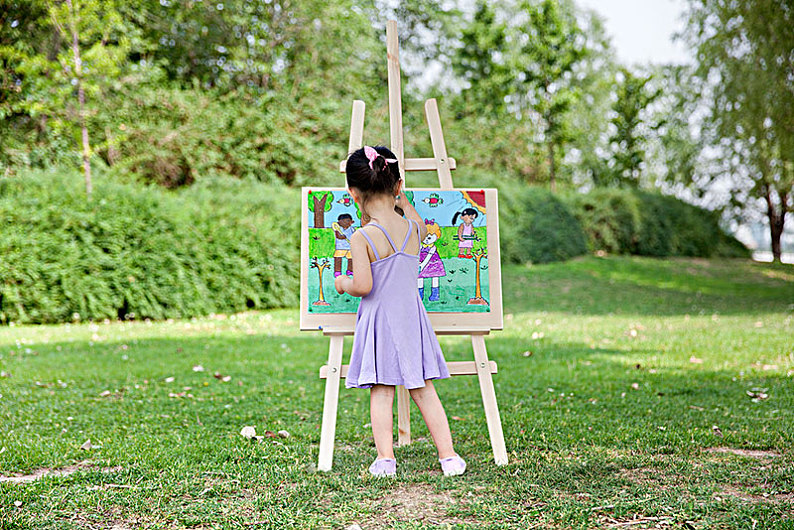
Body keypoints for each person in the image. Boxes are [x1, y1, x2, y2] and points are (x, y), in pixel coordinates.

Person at [334, 145, 466, 478]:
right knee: (424, 388)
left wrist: (341, 283)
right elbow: (419, 225)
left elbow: (363, 285)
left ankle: (385, 460)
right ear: (396, 186)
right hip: (411, 319)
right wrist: (404, 202)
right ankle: (448, 457)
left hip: (380, 322)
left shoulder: (363, 236)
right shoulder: (412, 230)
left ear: (352, 192)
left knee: (382, 390)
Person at [417, 219, 446, 301]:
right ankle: (419, 295)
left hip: (433, 263)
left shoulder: (432, 248)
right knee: (419, 278)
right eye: (424, 236)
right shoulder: (420, 246)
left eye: (429, 237)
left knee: (435, 277)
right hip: (421, 262)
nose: (426, 239)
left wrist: (422, 265)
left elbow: (429, 257)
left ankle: (435, 295)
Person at [333, 213, 356, 278]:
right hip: (340, 247)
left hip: (350, 247)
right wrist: (340, 236)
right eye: (343, 221)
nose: (345, 223)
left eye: (348, 221)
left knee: (351, 259)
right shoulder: (338, 229)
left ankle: (350, 270)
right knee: (338, 259)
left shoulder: (352, 229)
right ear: (339, 222)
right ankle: (337, 271)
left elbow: (354, 235)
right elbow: (337, 236)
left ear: (352, 222)